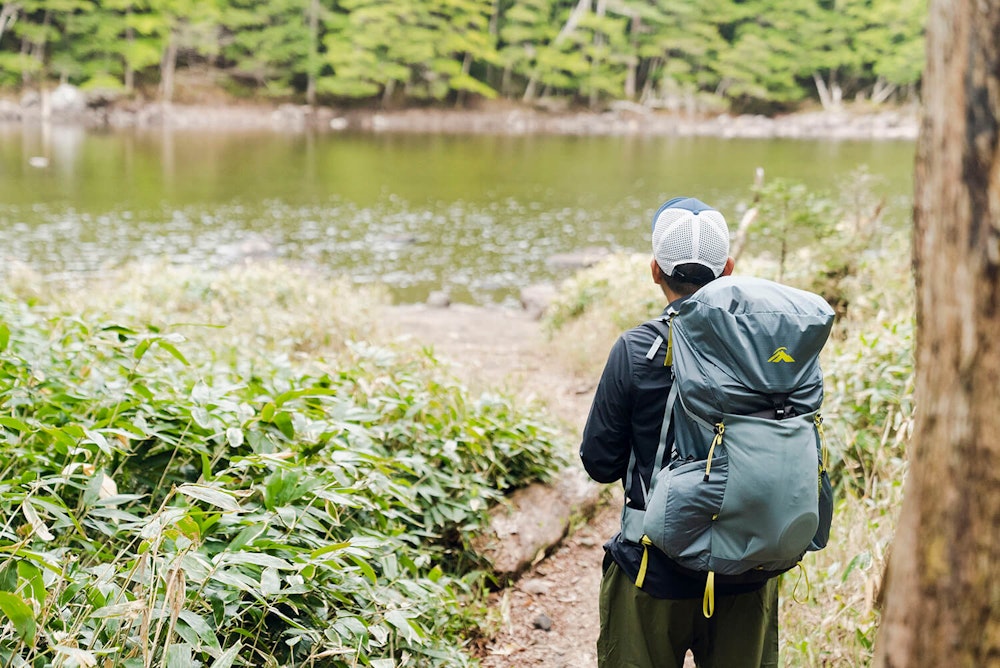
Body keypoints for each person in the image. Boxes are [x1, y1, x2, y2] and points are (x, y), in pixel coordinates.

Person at [579, 197, 779, 668]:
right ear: (728, 268)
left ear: (655, 271)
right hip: (747, 571)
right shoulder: (769, 352)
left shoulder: (635, 350)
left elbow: (600, 463)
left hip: (651, 572)